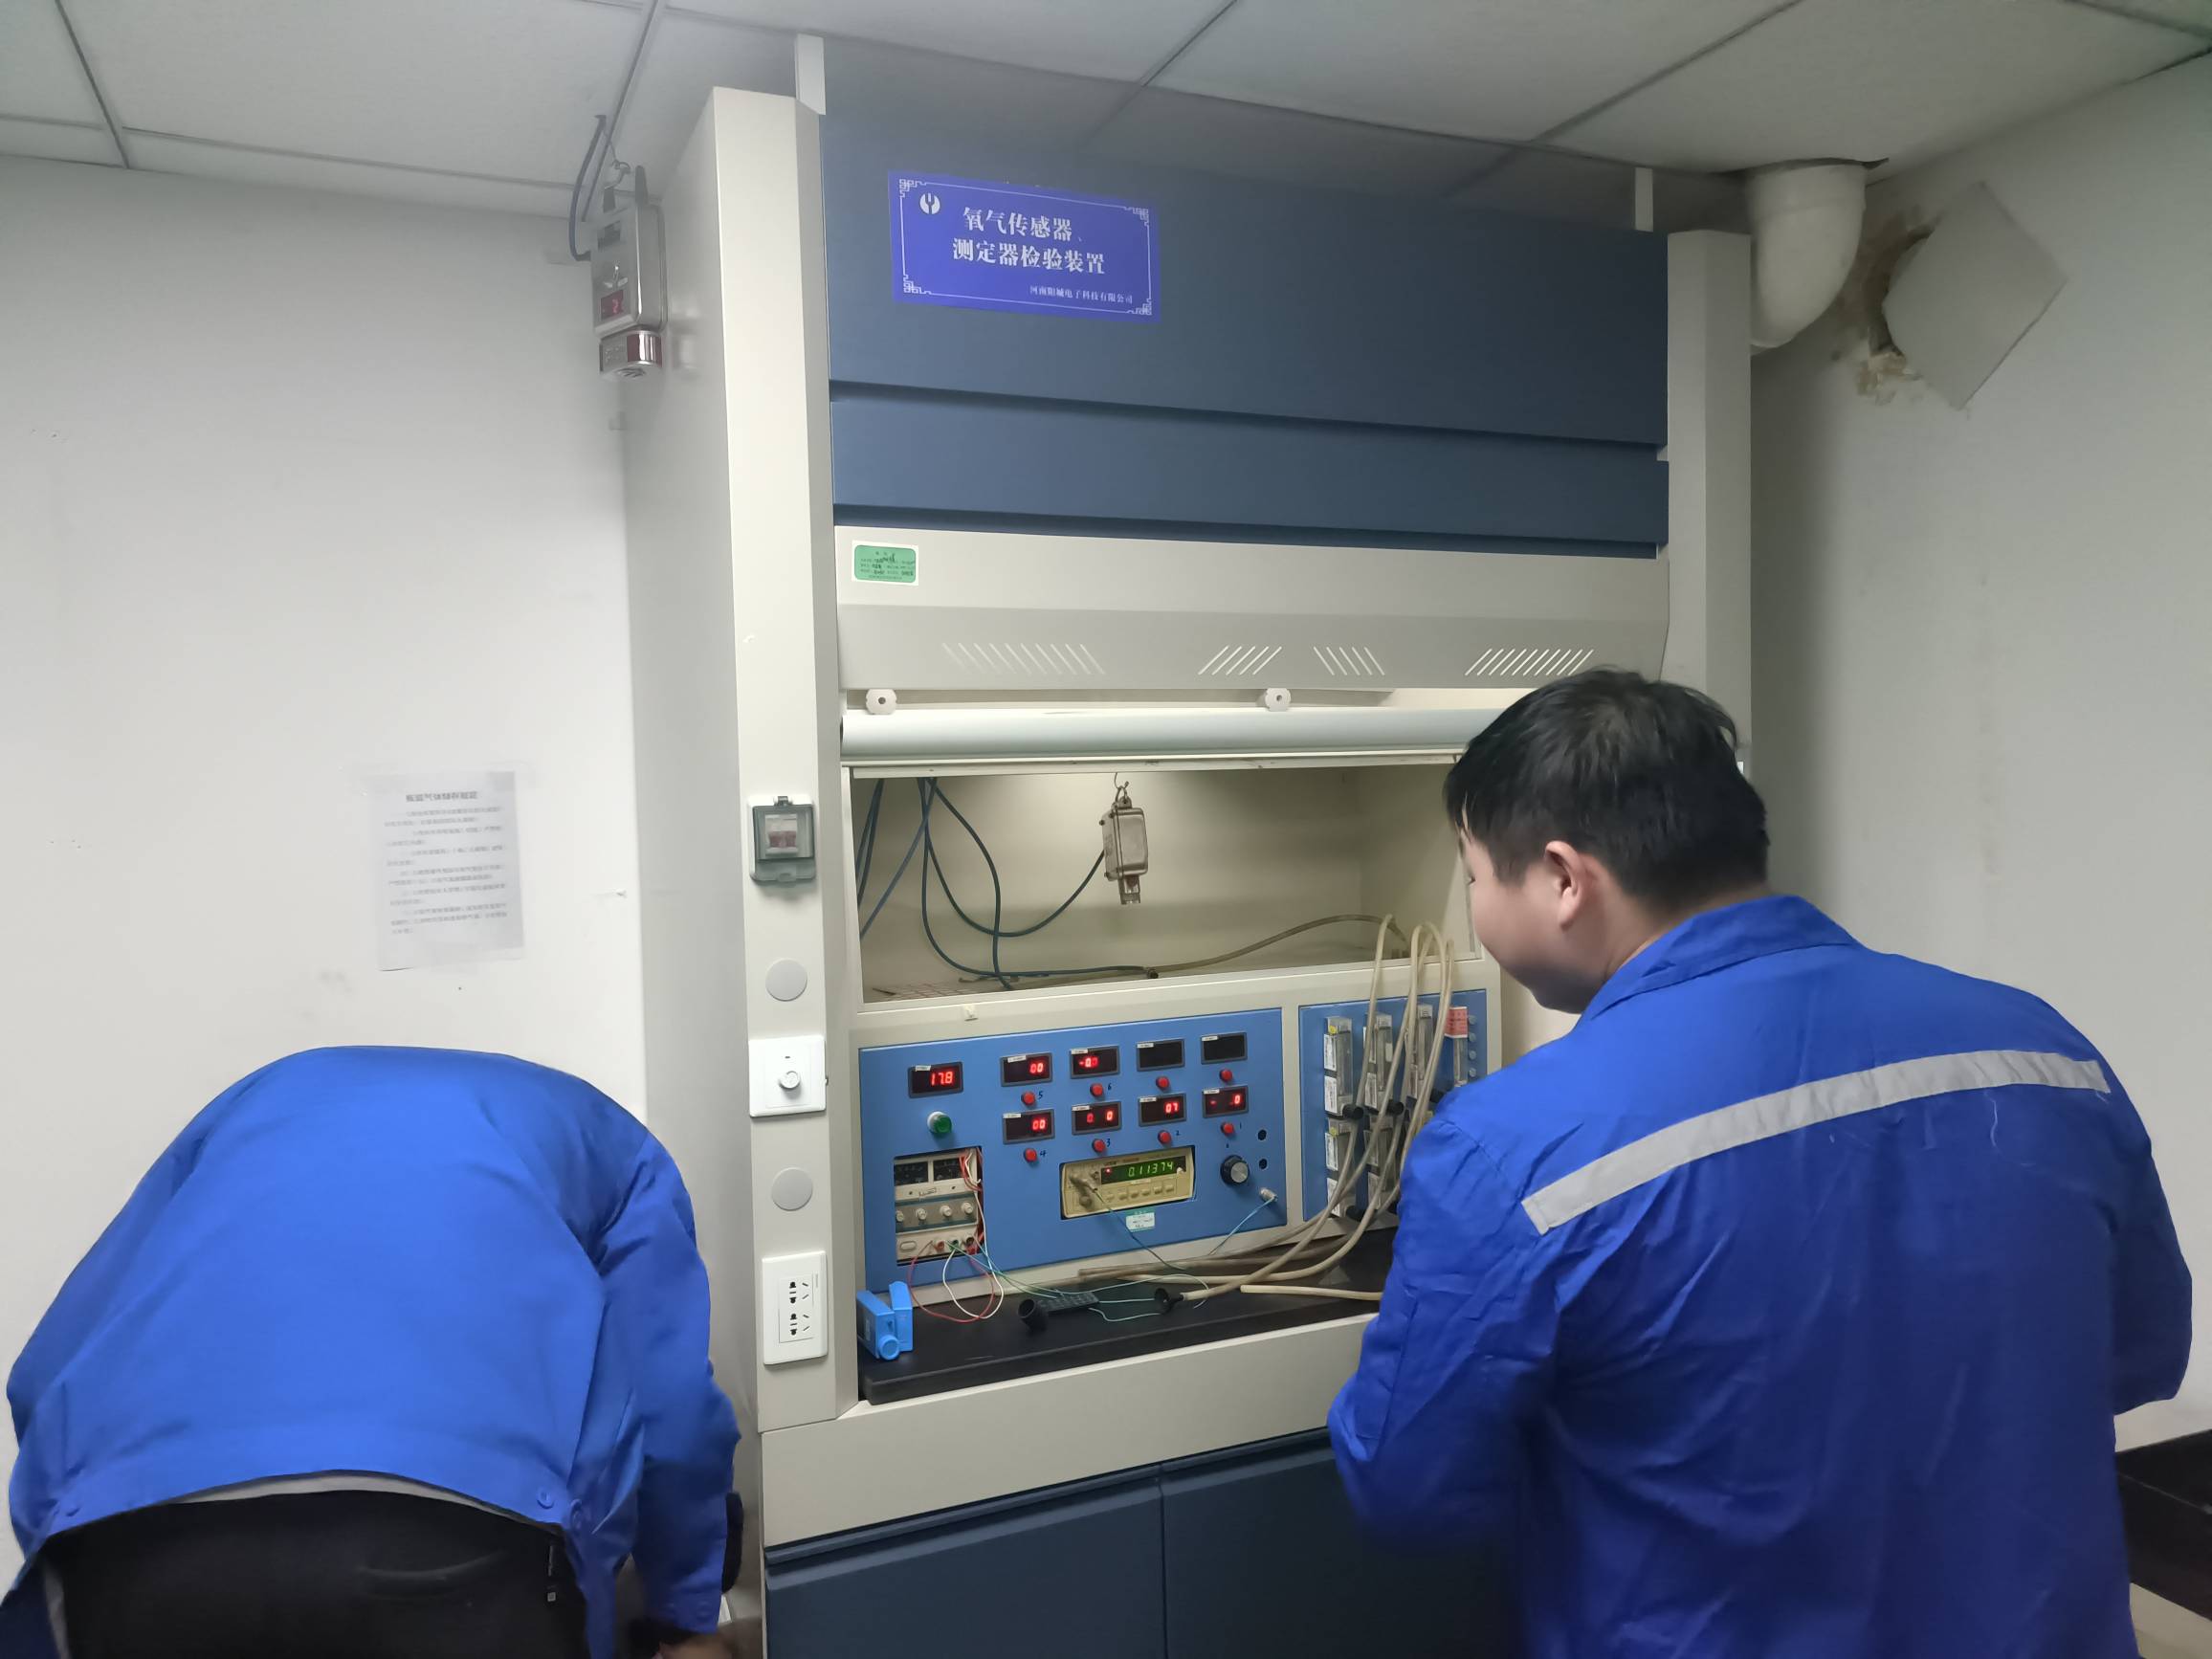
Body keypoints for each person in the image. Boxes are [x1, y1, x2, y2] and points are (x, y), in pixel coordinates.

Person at [1329, 670, 2191, 1659]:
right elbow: (2141, 1353)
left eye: (1475, 875)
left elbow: (1407, 1489)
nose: (1476, 907)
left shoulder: (1509, 1148)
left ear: (1564, 879)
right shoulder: (2040, 1050)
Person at [3, 1047, 741, 1659]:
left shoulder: (248, 1111)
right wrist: (684, 1618)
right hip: (456, 1547)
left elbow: (43, 1374)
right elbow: (673, 1416)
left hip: (128, 1551)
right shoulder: (618, 1149)